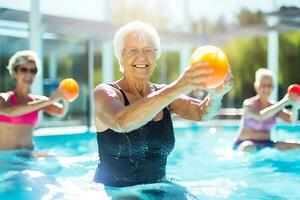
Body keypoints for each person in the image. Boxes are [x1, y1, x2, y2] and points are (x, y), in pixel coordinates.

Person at [93, 21, 232, 187]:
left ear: (155, 58)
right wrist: (180, 86)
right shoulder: (104, 93)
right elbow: (121, 121)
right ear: (120, 56)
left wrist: (216, 95)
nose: (142, 57)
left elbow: (201, 112)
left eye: (148, 51)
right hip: (116, 193)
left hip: (159, 188)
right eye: (133, 51)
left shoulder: (165, 94)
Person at [0, 50, 68, 152]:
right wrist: (50, 100)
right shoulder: (4, 98)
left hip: (29, 156)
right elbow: (9, 112)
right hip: (7, 159)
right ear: (14, 72)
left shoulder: (39, 101)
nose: (29, 74)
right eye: (24, 69)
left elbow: (61, 111)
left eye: (33, 70)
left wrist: (66, 95)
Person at [233, 68, 300, 152]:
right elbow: (260, 116)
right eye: (263, 85)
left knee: (297, 146)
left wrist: (295, 106)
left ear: (273, 88)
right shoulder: (248, 104)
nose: (266, 89)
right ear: (256, 87)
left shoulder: (275, 106)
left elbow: (292, 121)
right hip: (243, 144)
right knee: (249, 147)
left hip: (267, 144)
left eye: (269, 85)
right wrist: (284, 101)